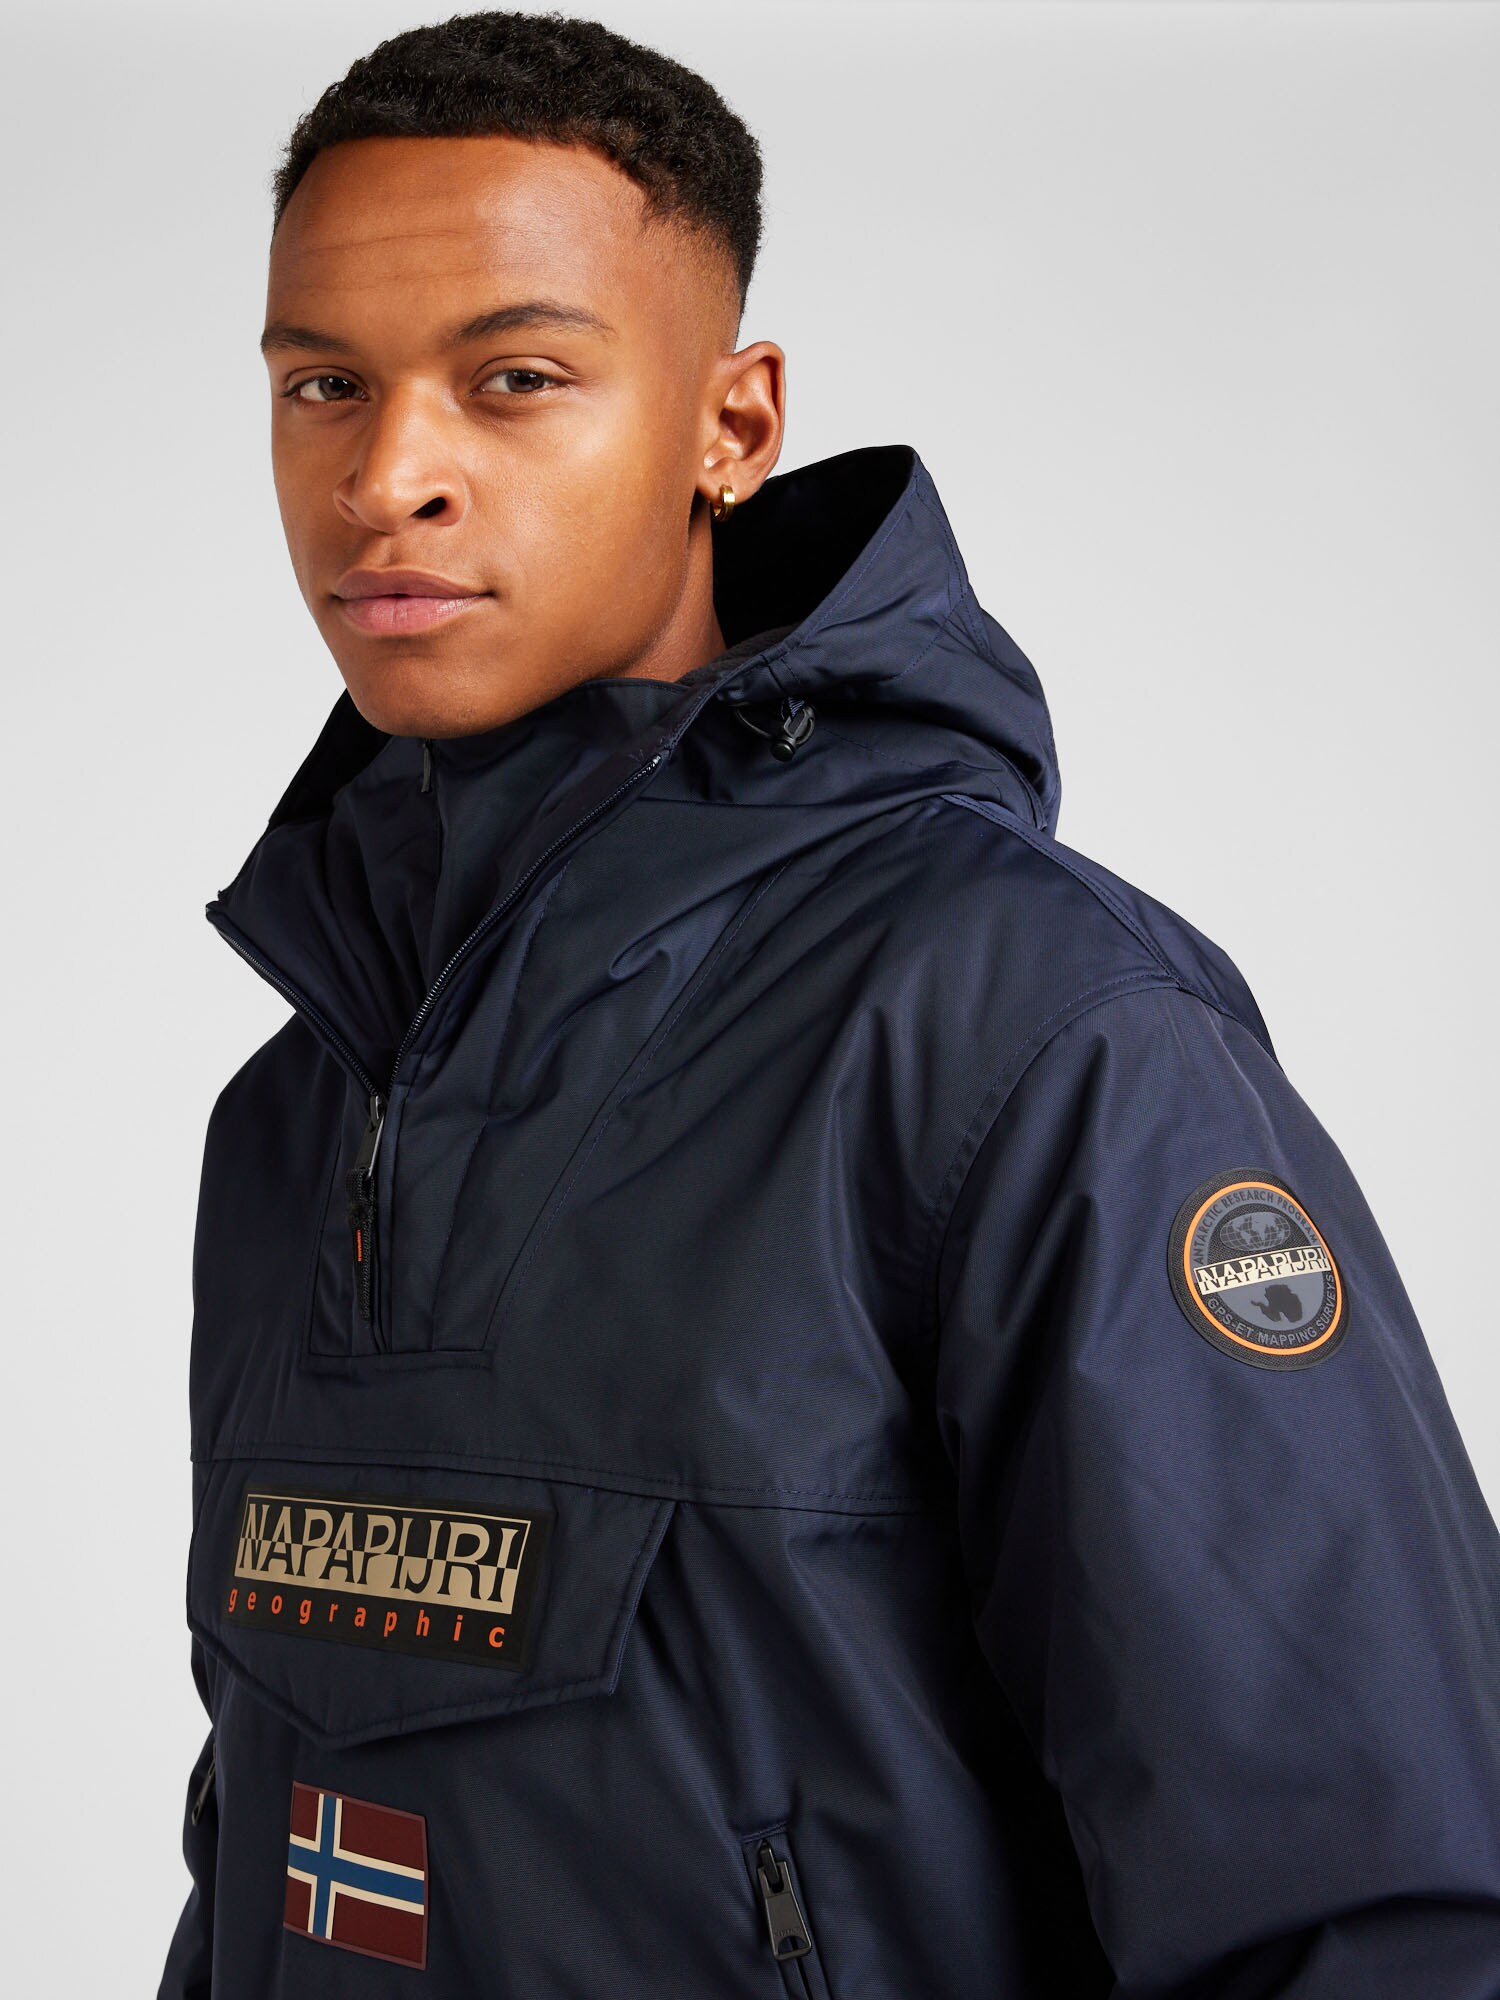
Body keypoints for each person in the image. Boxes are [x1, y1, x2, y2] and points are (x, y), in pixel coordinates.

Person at [158, 11, 1500, 1997]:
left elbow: (1371, 1912)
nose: (387, 477)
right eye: (323, 385)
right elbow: (269, 1847)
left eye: (514, 378)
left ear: (734, 424)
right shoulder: (294, 1106)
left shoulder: (1033, 1030)